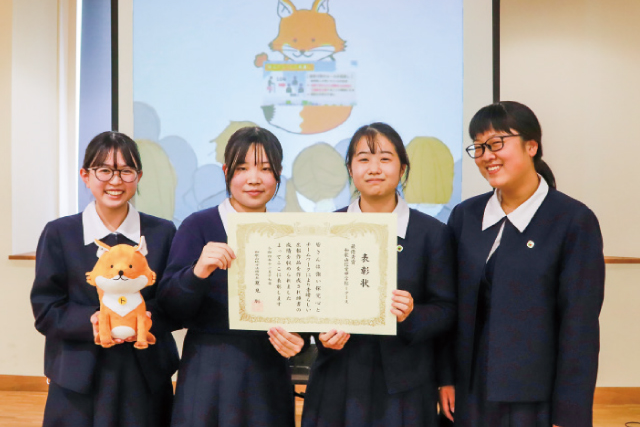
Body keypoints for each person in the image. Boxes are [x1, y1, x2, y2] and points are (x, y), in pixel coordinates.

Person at [438, 101, 605, 427]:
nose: (487, 155)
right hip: (470, 392)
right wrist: (445, 377)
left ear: (532, 146)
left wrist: (569, 413)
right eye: (479, 146)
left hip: (534, 397)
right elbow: (450, 306)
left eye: (497, 143)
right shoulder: (465, 216)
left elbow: (580, 325)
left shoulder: (573, 220)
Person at [302, 122, 457, 427]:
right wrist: (322, 335)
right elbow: (308, 303)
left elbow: (447, 310)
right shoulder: (325, 229)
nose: (374, 168)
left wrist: (411, 314)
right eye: (363, 159)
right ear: (350, 169)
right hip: (337, 380)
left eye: (385, 158)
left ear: (402, 169)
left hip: (405, 388)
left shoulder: (432, 234)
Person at [157, 126, 303, 427]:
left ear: (278, 175)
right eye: (242, 168)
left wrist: (299, 337)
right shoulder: (198, 226)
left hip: (268, 370)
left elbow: (304, 305)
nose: (253, 178)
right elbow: (170, 307)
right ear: (226, 172)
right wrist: (197, 271)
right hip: (209, 371)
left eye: (265, 169)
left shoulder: (289, 233)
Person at [30, 131, 179, 427]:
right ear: (86, 175)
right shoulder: (60, 233)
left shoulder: (163, 232)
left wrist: (143, 320)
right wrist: (98, 321)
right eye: (104, 170)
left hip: (144, 373)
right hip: (77, 375)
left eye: (126, 171)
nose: (115, 181)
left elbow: (172, 303)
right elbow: (46, 309)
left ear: (138, 177)